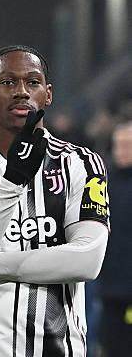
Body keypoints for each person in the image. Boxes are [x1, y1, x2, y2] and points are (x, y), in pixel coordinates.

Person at [0, 45, 109, 356]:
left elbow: (87, 261)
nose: (22, 91)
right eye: (8, 82)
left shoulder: (81, 163)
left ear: (48, 95)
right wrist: (12, 182)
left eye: (33, 82)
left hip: (58, 348)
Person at [99, 121, 132, 356]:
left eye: (127, 145)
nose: (121, 151)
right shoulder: (103, 181)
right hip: (110, 284)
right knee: (112, 343)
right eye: (118, 145)